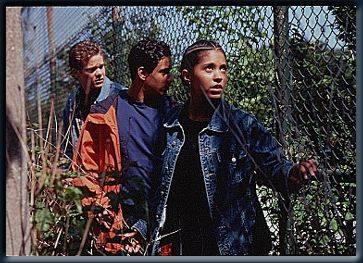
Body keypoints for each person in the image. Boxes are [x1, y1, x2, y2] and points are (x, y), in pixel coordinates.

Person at [150, 40, 317, 256]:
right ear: (187, 76)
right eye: (209, 68)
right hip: (184, 246)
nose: (218, 76)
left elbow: (275, 167)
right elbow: (155, 185)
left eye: (223, 69)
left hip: (234, 247)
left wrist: (293, 173)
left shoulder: (242, 125)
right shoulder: (169, 125)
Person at [70, 38, 175, 255]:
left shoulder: (176, 116)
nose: (171, 78)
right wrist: (111, 224)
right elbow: (85, 173)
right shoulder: (104, 114)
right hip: (121, 224)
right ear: (143, 73)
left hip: (166, 224)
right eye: (165, 72)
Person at [62, 40, 125, 160]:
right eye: (92, 70)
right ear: (75, 73)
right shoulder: (72, 103)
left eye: (101, 67)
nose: (100, 73)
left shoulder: (119, 97)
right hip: (83, 173)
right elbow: (69, 148)